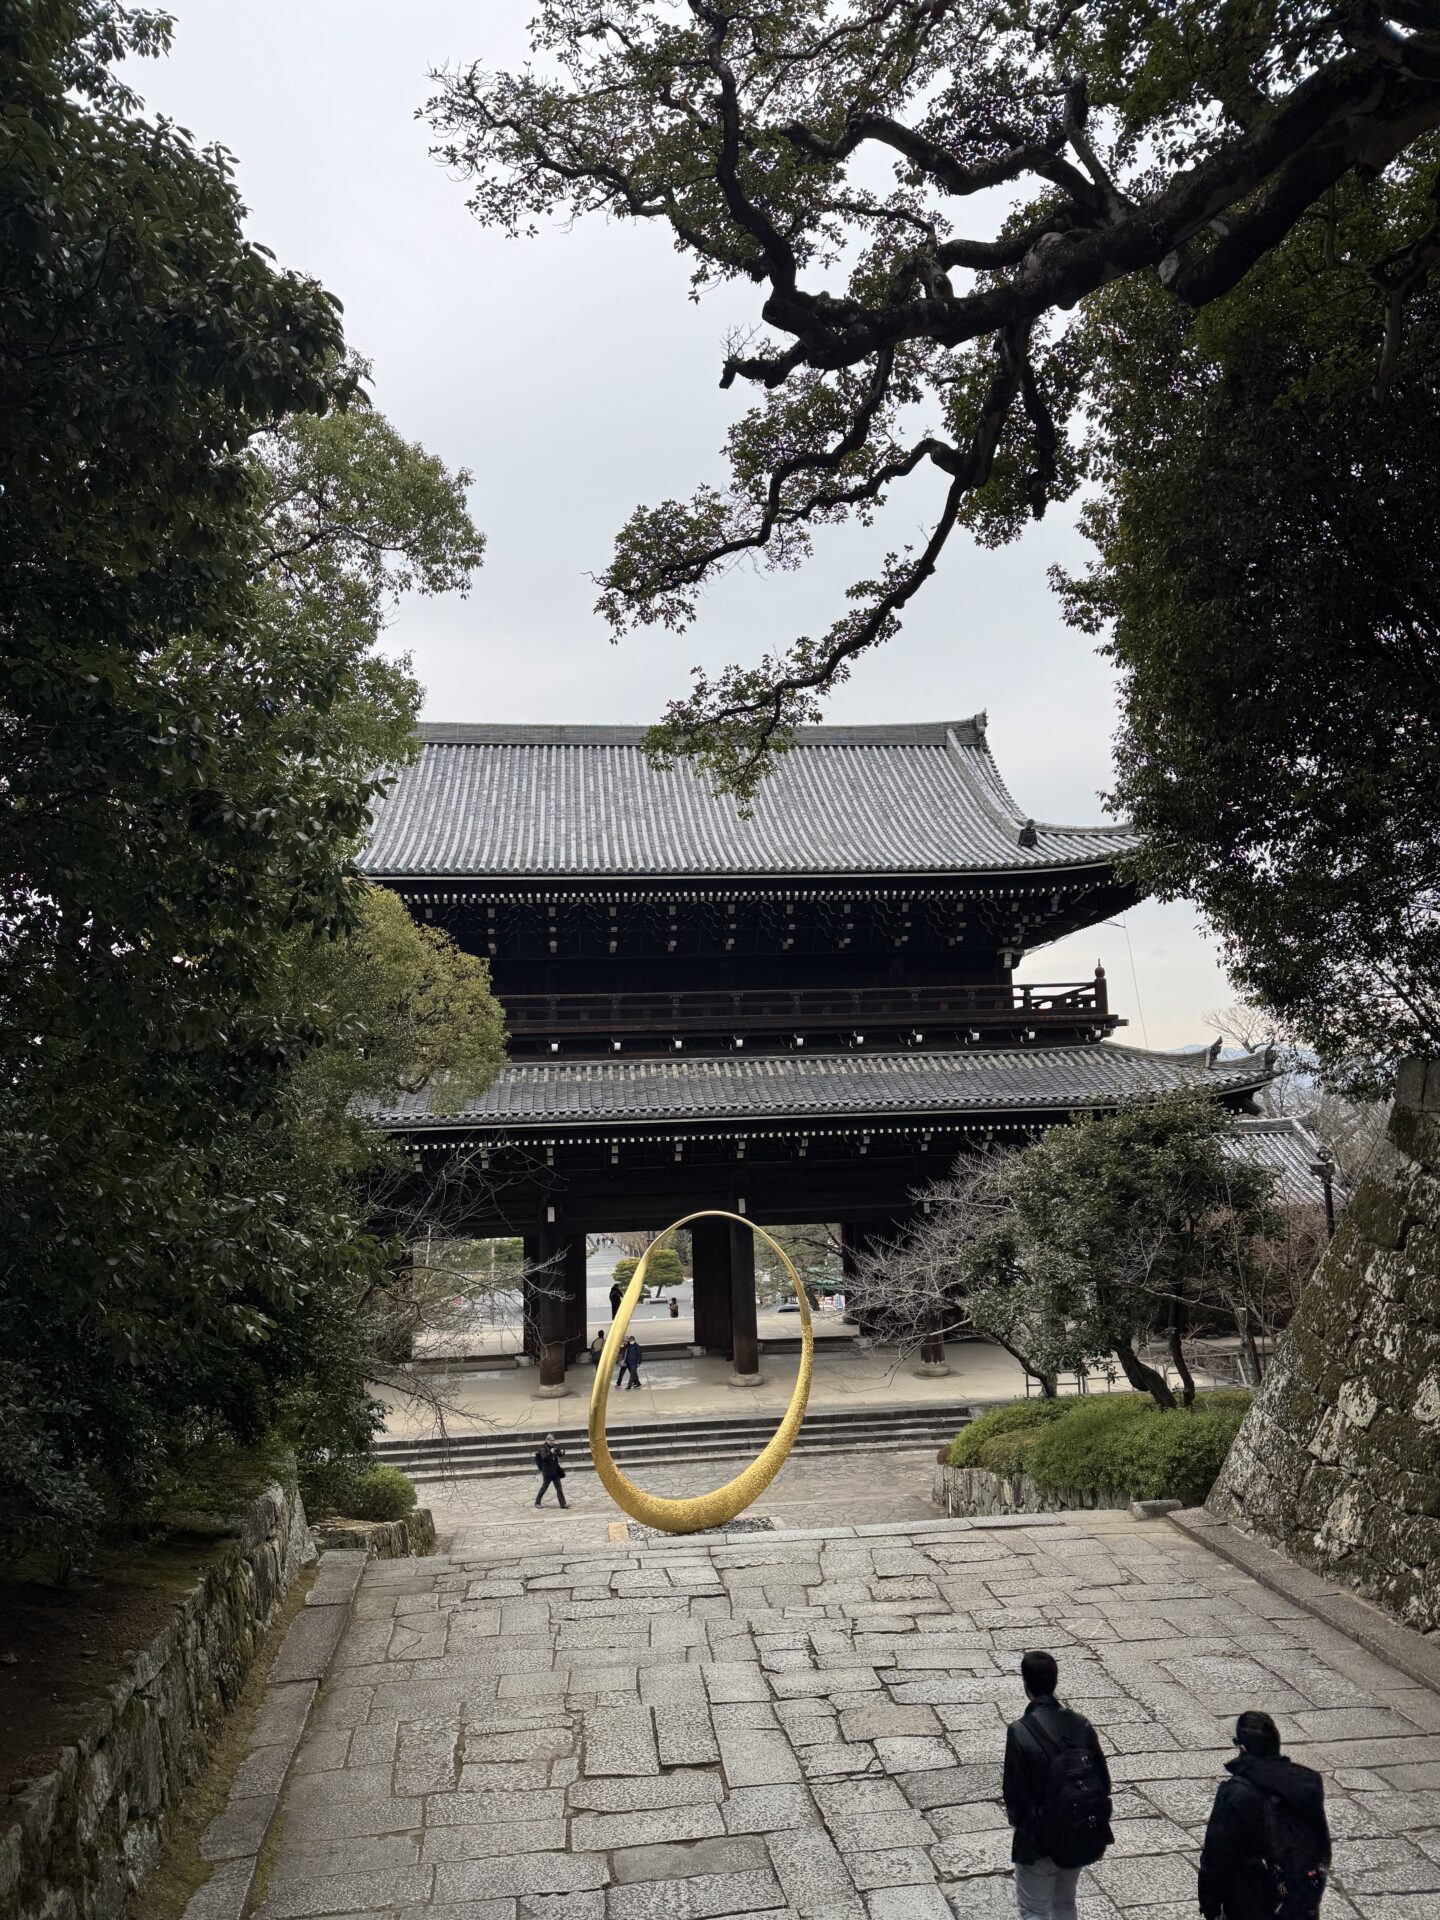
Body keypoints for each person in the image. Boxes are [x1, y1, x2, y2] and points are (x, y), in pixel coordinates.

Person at [1003, 1650, 1113, 1920]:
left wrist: (1026, 1830)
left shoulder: (1020, 1731)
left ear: (1025, 1683)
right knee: (1064, 1903)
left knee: (1034, 1910)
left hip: (1040, 1838)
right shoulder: (1081, 1724)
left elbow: (1015, 1795)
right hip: (1077, 1829)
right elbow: (1103, 1780)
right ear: (1055, 1681)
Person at [1199, 1711, 1330, 1920]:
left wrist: (1210, 1905)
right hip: (1298, 1899)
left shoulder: (1236, 1793)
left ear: (1242, 1748)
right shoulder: (1307, 1782)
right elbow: (1320, 1842)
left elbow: (1216, 1858)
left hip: (1250, 1904)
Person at [533, 1435, 567, 1508]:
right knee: (544, 1488)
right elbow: (544, 1457)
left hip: (555, 1472)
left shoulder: (553, 1447)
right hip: (547, 1472)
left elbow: (559, 1453)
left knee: (559, 1488)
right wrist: (550, 1452)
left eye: (553, 1440)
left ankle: (563, 1504)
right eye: (551, 1440)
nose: (552, 1442)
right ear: (547, 1440)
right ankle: (537, 1503)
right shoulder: (542, 1448)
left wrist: (562, 1452)